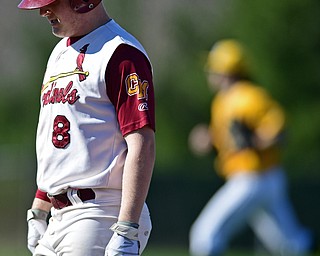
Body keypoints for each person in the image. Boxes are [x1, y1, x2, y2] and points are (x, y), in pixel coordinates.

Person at [18, 0, 156, 255]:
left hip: (100, 212)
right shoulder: (59, 52)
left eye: (52, 3)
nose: (43, 11)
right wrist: (40, 207)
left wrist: (127, 227)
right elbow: (60, 143)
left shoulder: (121, 53)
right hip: (59, 216)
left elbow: (142, 144)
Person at [188, 39, 314, 256]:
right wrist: (210, 138)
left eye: (213, 67)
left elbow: (280, 131)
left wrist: (256, 141)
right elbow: (231, 138)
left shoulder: (248, 96)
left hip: (252, 179)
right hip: (266, 178)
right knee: (292, 245)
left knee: (205, 236)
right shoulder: (224, 99)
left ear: (225, 70)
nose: (209, 72)